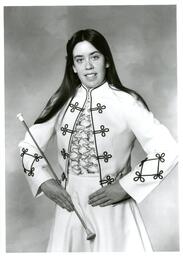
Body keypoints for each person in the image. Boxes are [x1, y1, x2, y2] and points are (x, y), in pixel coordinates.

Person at [18, 29, 178, 252]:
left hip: (113, 210)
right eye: (80, 60)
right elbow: (28, 146)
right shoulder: (61, 100)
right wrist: (44, 181)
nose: (88, 66)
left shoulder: (127, 101)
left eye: (94, 57)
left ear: (107, 61)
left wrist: (125, 187)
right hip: (70, 209)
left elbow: (169, 150)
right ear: (73, 66)